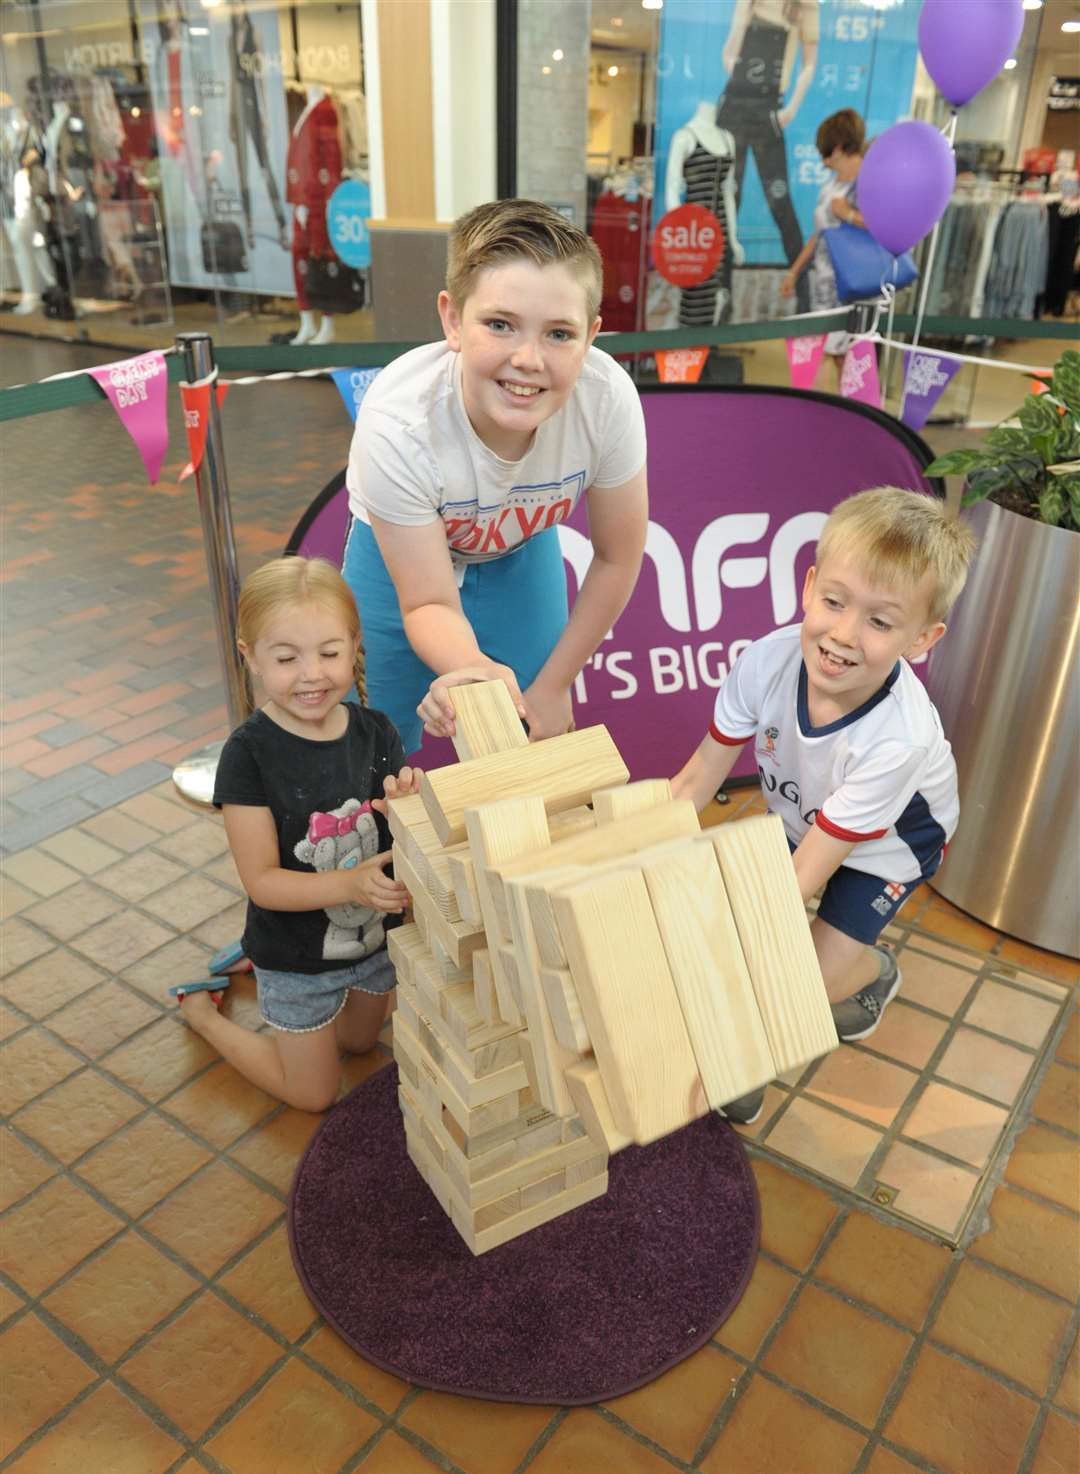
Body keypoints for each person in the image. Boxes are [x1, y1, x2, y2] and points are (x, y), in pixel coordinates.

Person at [672, 487, 976, 1123]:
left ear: (923, 638)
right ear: (809, 587)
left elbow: (807, 875)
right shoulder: (767, 660)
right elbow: (698, 778)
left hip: (887, 849)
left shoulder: (899, 737)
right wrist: (634, 863)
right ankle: (803, 987)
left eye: (880, 621)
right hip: (806, 815)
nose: (843, 634)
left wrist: (736, 990)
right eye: (834, 602)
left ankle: (866, 971)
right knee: (731, 929)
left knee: (788, 983)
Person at [342, 198, 649, 754]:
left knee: (533, 732)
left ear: (593, 336)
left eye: (559, 334)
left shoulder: (606, 400)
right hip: (398, 569)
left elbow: (618, 556)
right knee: (373, 748)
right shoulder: (397, 421)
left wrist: (553, 686)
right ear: (453, 320)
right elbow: (427, 603)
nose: (527, 358)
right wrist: (476, 671)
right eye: (500, 325)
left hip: (519, 549)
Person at [168, 556, 421, 1113]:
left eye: (329, 653)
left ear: (355, 645)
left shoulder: (377, 731)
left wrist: (410, 809)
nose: (311, 674)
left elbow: (398, 839)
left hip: (373, 943)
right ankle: (204, 1015)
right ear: (251, 657)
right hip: (295, 956)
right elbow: (262, 883)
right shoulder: (249, 755)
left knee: (359, 1043)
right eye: (287, 658)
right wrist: (351, 886)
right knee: (313, 1095)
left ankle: (247, 966)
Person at [718, 0, 819, 312]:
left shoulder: (805, 6)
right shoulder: (749, 3)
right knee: (727, 201)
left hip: (769, 107)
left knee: (781, 203)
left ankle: (804, 298)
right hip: (735, 103)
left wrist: (790, 110)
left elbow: (809, 64)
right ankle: (723, 298)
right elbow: (729, 54)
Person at [780, 108, 866, 374]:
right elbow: (819, 233)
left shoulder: (870, 181)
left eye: (825, 153)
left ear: (839, 147)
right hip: (824, 284)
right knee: (823, 354)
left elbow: (890, 228)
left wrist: (849, 214)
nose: (823, 161)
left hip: (855, 285)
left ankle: (851, 411)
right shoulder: (830, 186)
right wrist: (794, 271)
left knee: (850, 361)